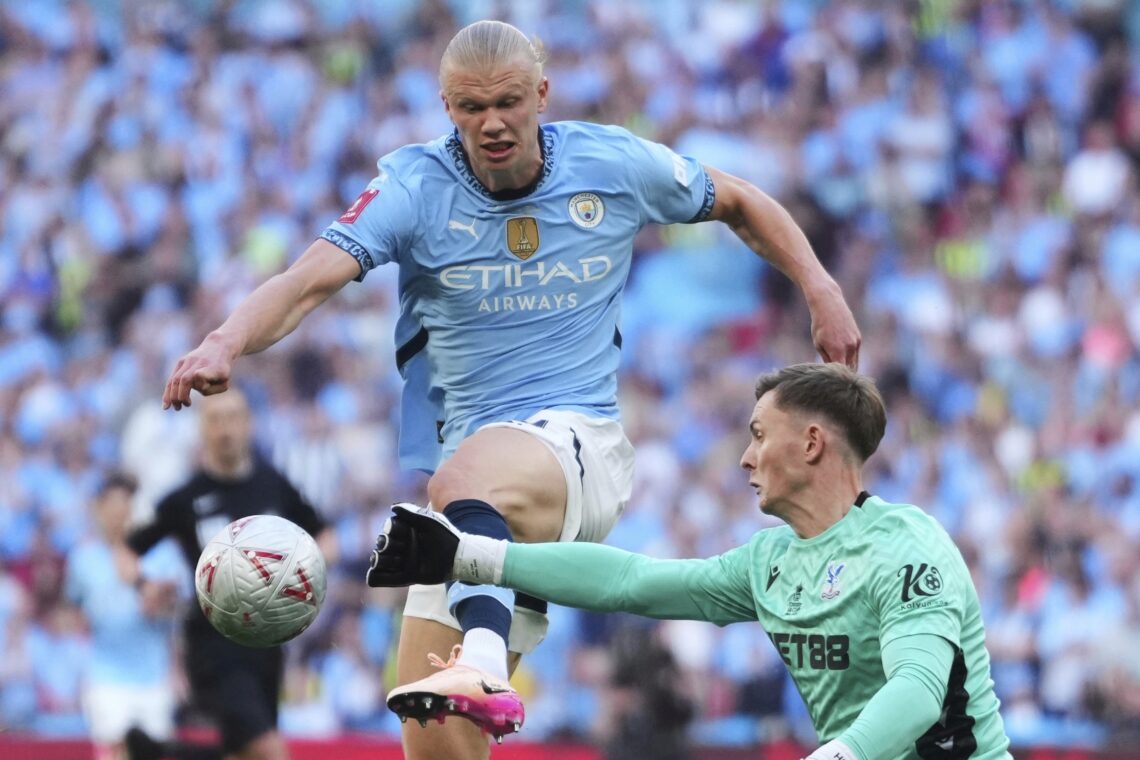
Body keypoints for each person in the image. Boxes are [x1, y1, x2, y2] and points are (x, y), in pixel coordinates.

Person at [159, 18, 860, 759]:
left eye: (508, 102)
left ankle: (484, 657)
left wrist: (820, 287)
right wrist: (224, 340)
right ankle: (479, 642)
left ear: (542, 95)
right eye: (471, 107)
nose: (492, 122)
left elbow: (741, 200)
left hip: (577, 446)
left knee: (463, 483)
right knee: (434, 737)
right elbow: (306, 282)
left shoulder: (611, 162)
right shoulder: (413, 187)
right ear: (447, 108)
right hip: (471, 512)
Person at [368, 363, 1013, 760]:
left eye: (759, 435)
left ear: (812, 443)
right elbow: (632, 582)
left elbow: (919, 690)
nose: (745, 457)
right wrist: (472, 556)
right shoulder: (769, 561)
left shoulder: (907, 545)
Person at [122, 389, 333, 760]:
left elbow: (326, 537)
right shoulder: (186, 498)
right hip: (213, 643)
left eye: (233, 418)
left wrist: (301, 574)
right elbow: (125, 549)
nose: (225, 429)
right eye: (215, 420)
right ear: (202, 429)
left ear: (249, 424)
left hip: (267, 644)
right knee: (268, 750)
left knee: (243, 754)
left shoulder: (273, 485)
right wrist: (144, 584)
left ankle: (160, 754)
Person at [65, 472, 181, 760]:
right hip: (106, 674)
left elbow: (180, 610)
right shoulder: (83, 558)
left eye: (125, 504)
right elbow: (74, 611)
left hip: (154, 673)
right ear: (99, 508)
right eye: (112, 505)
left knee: (155, 752)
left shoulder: (161, 553)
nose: (119, 513)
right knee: (114, 751)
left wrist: (159, 602)